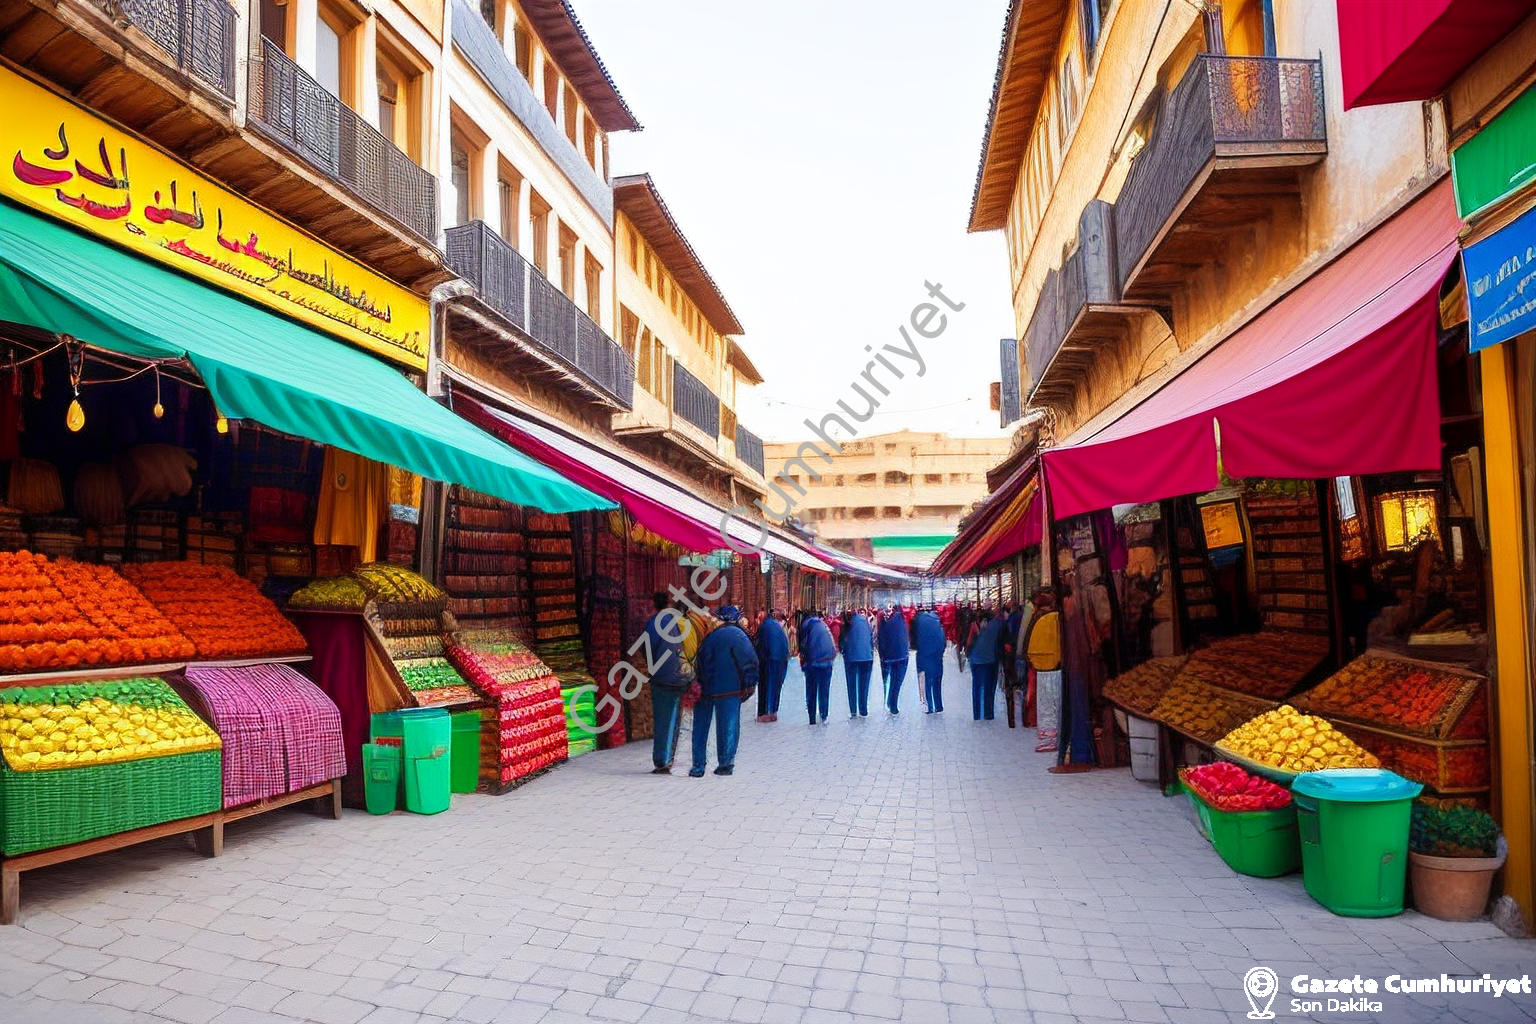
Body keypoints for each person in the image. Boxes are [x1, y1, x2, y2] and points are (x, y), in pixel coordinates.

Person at [689, 605, 759, 777]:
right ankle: (725, 764)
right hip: (730, 689)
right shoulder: (741, 637)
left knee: (700, 726)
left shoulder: (709, 636)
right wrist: (748, 686)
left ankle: (698, 766)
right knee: (728, 725)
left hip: (706, 687)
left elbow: (699, 661)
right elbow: (751, 663)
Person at [642, 591, 689, 774]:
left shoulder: (652, 624)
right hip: (678, 676)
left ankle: (662, 760)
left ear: (654, 603)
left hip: (661, 677)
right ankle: (668, 758)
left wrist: (651, 665)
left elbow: (646, 648)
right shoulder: (676, 623)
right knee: (674, 717)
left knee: (662, 717)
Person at [1026, 590, 1063, 753]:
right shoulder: (1059, 617)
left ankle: (1049, 738)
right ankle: (1059, 736)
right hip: (1058, 666)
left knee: (1046, 704)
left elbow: (1027, 641)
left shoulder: (1038, 618)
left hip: (1042, 668)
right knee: (1058, 702)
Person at [798, 611, 836, 725]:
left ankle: (812, 718)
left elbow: (803, 645)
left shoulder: (806, 625)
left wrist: (804, 661)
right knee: (824, 691)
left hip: (813, 663)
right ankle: (824, 716)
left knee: (811, 691)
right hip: (828, 661)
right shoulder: (823, 625)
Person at [968, 608, 1004, 721]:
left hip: (976, 660)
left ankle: (977, 714)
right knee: (989, 688)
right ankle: (988, 714)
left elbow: (969, 642)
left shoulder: (975, 625)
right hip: (991, 660)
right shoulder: (997, 624)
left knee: (977, 687)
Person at [754, 609, 790, 722]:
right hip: (781, 658)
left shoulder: (763, 627)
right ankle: (773, 711)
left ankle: (764, 713)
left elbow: (758, 645)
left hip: (768, 658)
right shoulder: (776, 626)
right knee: (776, 685)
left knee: (765, 684)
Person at [839, 605, 874, 718]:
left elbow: (842, 642)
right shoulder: (865, 622)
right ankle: (863, 709)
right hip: (867, 657)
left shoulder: (846, 625)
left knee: (851, 685)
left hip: (851, 658)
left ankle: (853, 710)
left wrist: (844, 651)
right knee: (864, 685)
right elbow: (871, 638)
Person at [877, 604, 910, 714]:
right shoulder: (901, 619)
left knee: (889, 680)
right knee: (897, 681)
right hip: (902, 655)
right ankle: (893, 704)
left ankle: (889, 702)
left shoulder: (882, 622)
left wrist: (882, 655)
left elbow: (880, 640)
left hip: (888, 657)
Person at [912, 605, 946, 714]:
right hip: (937, 654)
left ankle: (930, 706)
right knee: (937, 679)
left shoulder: (917, 621)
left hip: (924, 653)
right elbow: (943, 640)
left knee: (926, 679)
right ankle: (939, 705)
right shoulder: (937, 620)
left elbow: (914, 640)